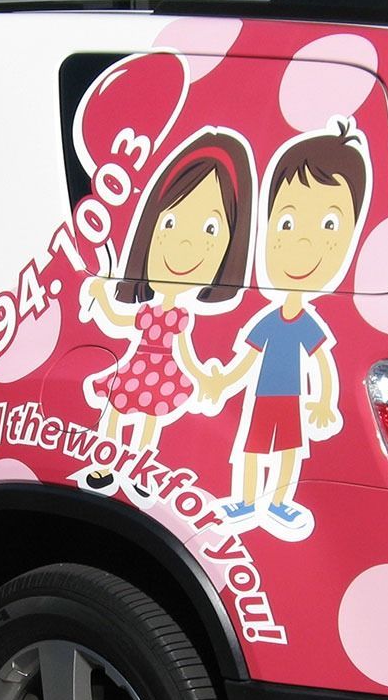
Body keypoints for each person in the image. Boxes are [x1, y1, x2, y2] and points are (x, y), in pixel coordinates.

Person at [198, 119, 370, 535]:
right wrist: (224, 383)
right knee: (254, 448)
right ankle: (247, 499)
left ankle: (279, 501)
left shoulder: (306, 321)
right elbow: (246, 360)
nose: (303, 244)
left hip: (292, 398)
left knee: (290, 449)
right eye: (287, 224)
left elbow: (322, 363)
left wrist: (325, 401)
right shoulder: (269, 320)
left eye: (329, 225)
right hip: (262, 396)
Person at [81, 129, 255, 492]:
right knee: (118, 411)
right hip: (140, 367)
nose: (186, 243)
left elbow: (187, 355)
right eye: (170, 223)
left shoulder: (179, 317)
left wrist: (205, 378)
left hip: (159, 370)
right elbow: (118, 319)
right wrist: (99, 291)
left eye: (210, 228)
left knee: (145, 419)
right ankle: (107, 463)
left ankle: (141, 469)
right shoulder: (150, 311)